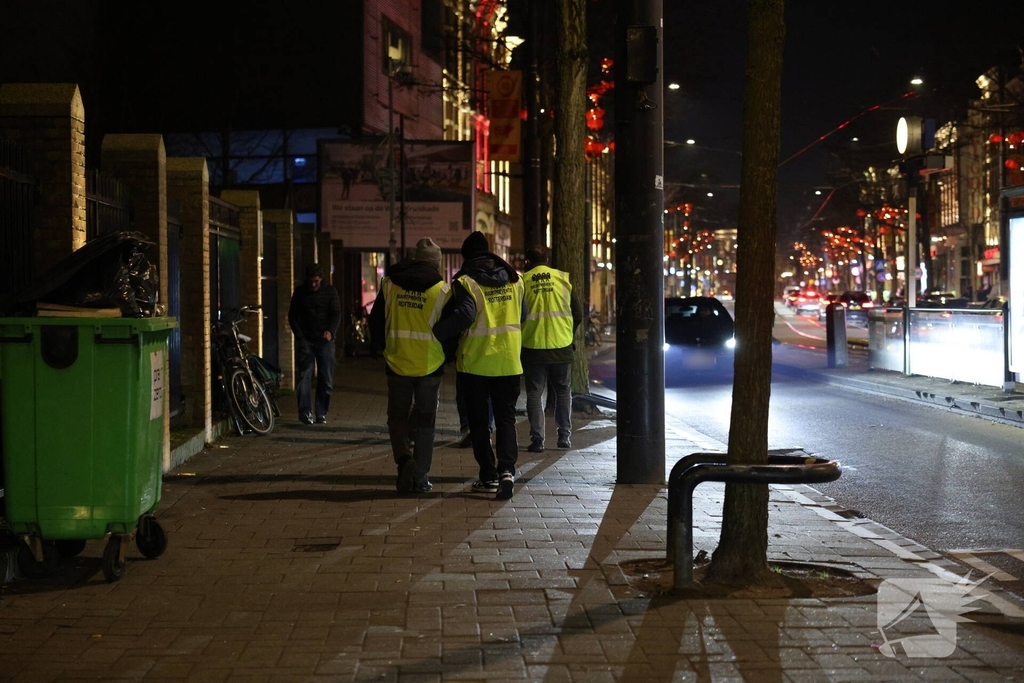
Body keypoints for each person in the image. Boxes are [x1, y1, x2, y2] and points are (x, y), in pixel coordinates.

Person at [433, 231, 524, 501]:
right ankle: (507, 470)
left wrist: (437, 332)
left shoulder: (466, 281)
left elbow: (465, 314)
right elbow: (525, 315)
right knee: (506, 419)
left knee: (479, 423)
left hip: (475, 364)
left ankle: (488, 476)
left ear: (467, 256)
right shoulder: (514, 279)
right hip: (508, 361)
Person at [368, 238, 450, 494]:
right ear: (436, 264)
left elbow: (375, 320)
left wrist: (383, 347)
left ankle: (404, 459)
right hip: (429, 364)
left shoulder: (391, 284)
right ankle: (421, 476)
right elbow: (450, 329)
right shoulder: (442, 290)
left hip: (397, 361)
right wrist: (447, 355)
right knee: (426, 423)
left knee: (397, 419)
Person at [520, 245, 584, 453]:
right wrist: (567, 332)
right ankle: (564, 436)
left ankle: (537, 439)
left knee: (534, 394)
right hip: (561, 346)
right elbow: (578, 313)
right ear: (547, 260)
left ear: (527, 262)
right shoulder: (563, 280)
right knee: (563, 391)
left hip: (532, 346)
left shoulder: (523, 282)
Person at [288, 264, 341, 425]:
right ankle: (305, 412)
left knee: (326, 378)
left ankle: (321, 412)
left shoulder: (330, 292)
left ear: (321, 279)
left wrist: (330, 331)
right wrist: (300, 336)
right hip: (307, 339)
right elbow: (292, 316)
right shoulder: (300, 293)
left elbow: (336, 313)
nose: (313, 285)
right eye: (311, 281)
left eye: (316, 281)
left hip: (325, 340)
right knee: (304, 376)